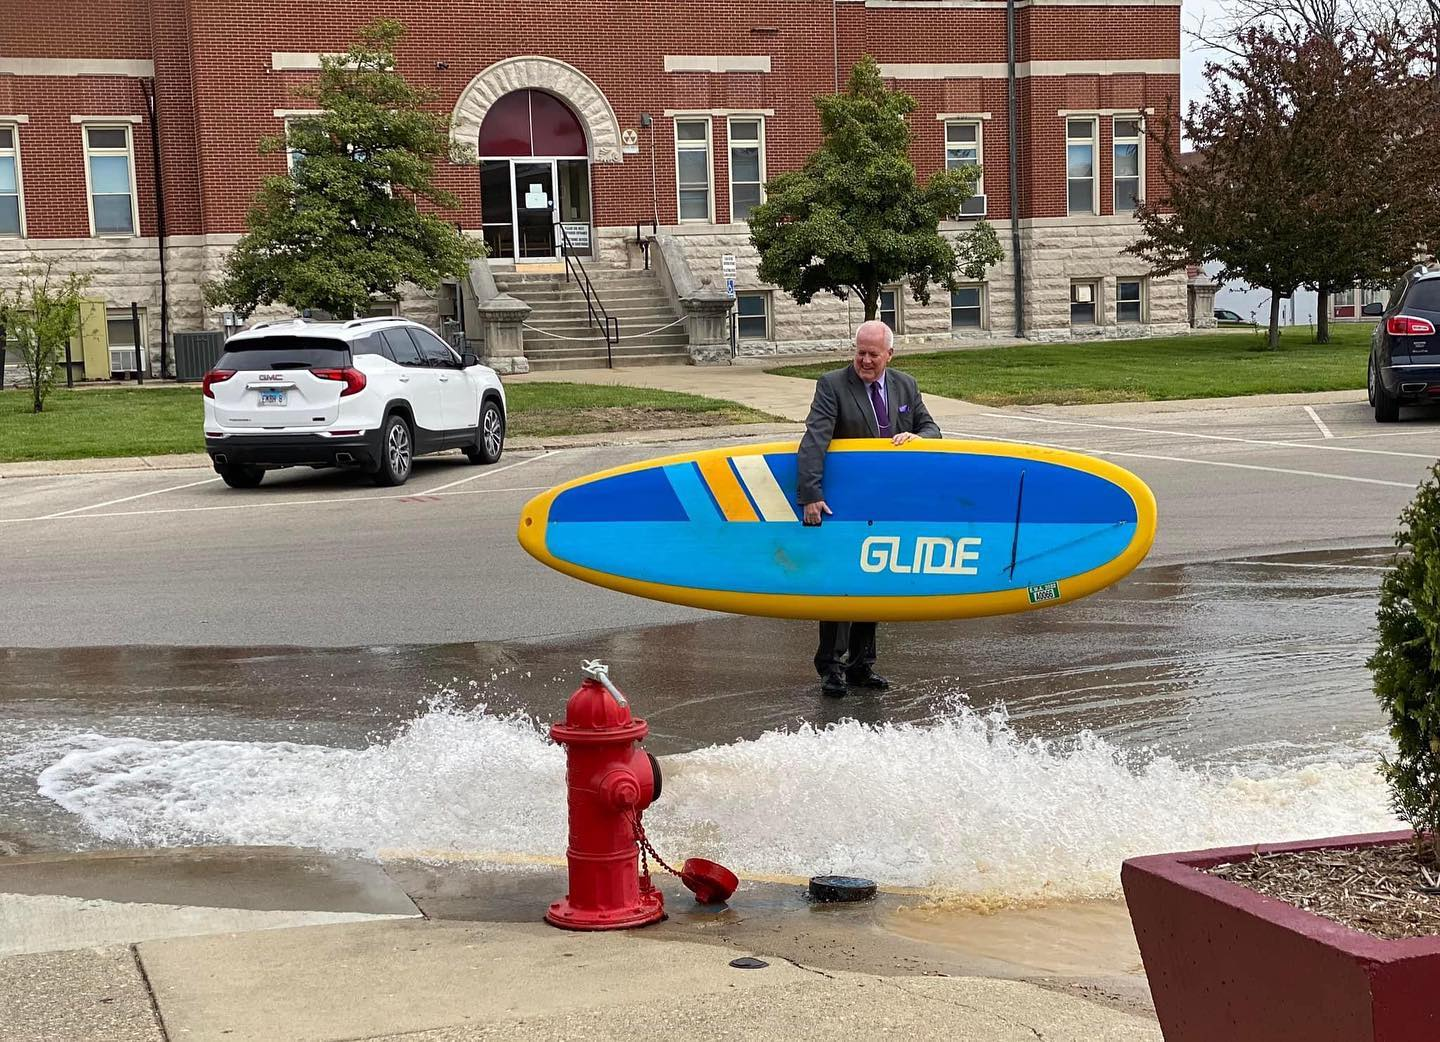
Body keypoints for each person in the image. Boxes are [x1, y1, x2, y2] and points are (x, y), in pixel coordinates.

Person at [796, 319, 941, 697]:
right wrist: (810, 493)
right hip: (845, 507)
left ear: (888, 355)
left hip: (887, 505)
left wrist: (917, 437)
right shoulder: (832, 385)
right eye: (860, 352)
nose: (864, 360)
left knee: (874, 582)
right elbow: (814, 440)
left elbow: (932, 429)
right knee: (842, 584)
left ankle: (862, 665)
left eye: (872, 354)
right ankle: (831, 667)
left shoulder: (905, 385)